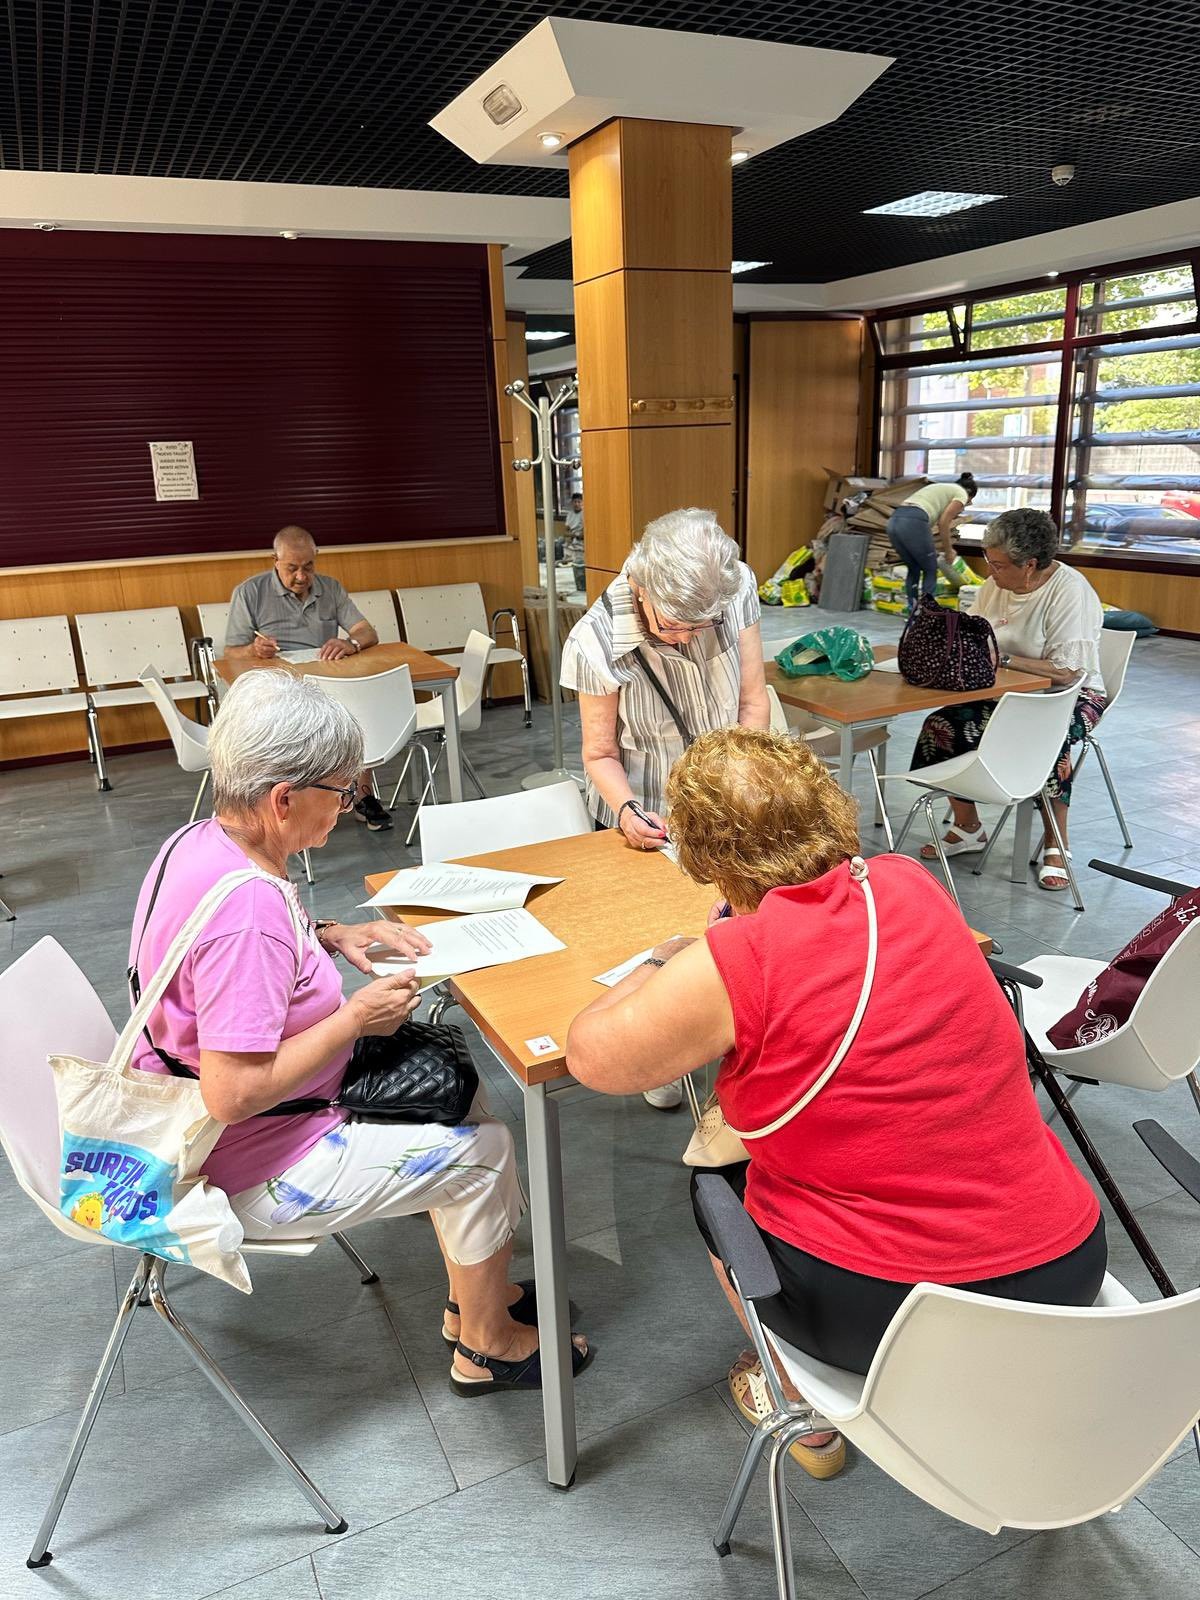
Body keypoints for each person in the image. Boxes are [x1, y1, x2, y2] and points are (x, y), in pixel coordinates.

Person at [566, 727, 1104, 1477]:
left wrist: (665, 962)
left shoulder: (734, 960)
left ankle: (803, 1413)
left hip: (896, 1320)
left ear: (700, 854)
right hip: (1065, 1271)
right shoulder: (909, 883)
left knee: (716, 1182)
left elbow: (593, 1055)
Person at [128, 669, 590, 1395]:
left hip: (251, 1114)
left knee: (460, 1096)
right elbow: (231, 1093)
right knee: (487, 1154)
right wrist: (354, 1017)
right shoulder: (244, 919)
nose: (349, 805)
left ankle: (474, 1297)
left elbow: (230, 955)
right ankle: (486, 1345)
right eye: (341, 792)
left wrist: (330, 933)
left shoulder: (202, 843)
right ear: (283, 799)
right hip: (255, 1161)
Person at [560, 506, 770, 1110]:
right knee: (664, 941)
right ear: (641, 586)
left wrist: (747, 782)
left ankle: (744, 1045)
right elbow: (599, 754)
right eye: (676, 624)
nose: (689, 637)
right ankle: (665, 1045)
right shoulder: (595, 643)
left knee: (743, 934)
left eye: (703, 625)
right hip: (654, 815)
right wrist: (626, 811)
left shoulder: (733, 589)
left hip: (733, 797)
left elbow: (753, 701)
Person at [910, 507, 1107, 891]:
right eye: (989, 562)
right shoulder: (995, 587)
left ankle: (1056, 844)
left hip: (1069, 695)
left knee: (1049, 741)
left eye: (999, 566)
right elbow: (973, 631)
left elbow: (1068, 671)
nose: (990, 573)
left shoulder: (1069, 592)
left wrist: (1007, 660)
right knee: (941, 726)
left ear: (1030, 564)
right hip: (1006, 689)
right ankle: (968, 827)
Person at [224, 526, 391, 831]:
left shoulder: (331, 588)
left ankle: (362, 796)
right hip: (278, 692)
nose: (301, 576)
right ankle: (290, 804)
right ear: (274, 560)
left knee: (362, 709)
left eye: (308, 567)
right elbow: (231, 653)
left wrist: (350, 643)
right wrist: (253, 648)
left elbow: (367, 632)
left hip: (328, 685)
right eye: (292, 568)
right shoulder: (249, 592)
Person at [886, 473, 978, 610]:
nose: (964, 506)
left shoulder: (942, 488)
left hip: (894, 521)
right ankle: (927, 612)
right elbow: (944, 522)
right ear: (969, 495)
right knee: (930, 568)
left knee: (914, 568)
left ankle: (913, 610)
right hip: (913, 521)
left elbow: (924, 532)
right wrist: (949, 551)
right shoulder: (961, 493)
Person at [564, 492, 585, 591]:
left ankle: (582, 585)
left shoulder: (584, 514)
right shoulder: (570, 514)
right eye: (575, 502)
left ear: (582, 503)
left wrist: (575, 535)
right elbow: (566, 530)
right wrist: (570, 536)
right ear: (572, 503)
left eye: (579, 502)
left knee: (580, 564)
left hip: (581, 544)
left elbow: (583, 534)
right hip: (572, 542)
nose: (577, 504)